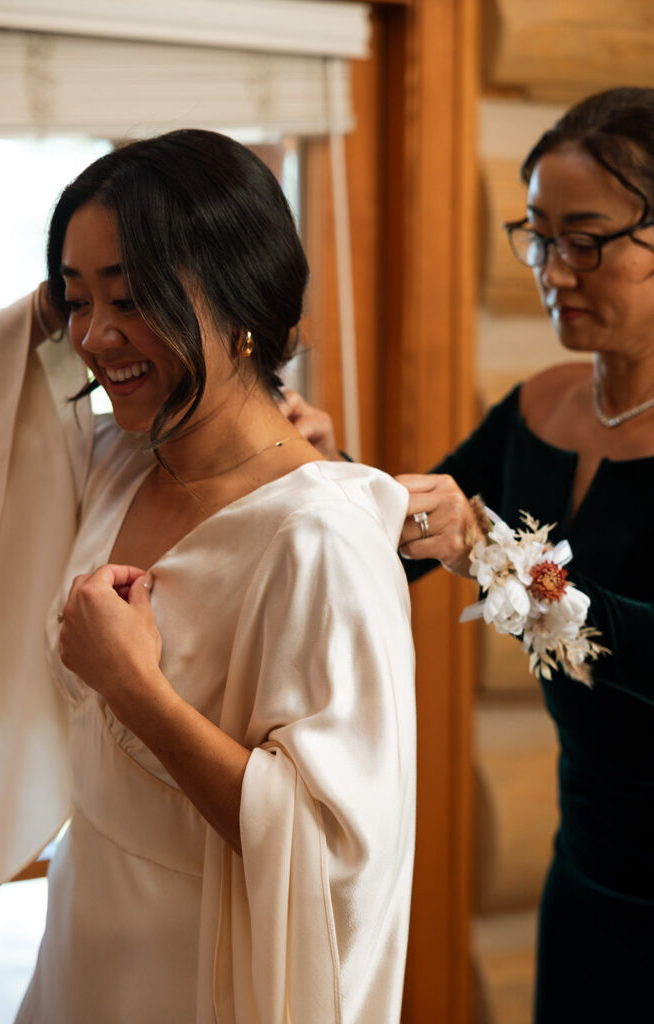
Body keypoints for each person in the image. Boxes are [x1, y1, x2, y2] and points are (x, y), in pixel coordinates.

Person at [0, 130, 416, 1024]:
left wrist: (136, 688)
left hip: (205, 967)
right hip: (80, 939)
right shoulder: (111, 462)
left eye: (131, 298)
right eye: (75, 297)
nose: (95, 337)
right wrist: (53, 314)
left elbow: (336, 854)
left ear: (237, 293)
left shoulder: (318, 537)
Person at [285, 87, 654, 1022]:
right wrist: (324, 473)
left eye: (585, 239)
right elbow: (410, 543)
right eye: (535, 235)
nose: (551, 269)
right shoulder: (540, 407)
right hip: (586, 873)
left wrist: (494, 555)